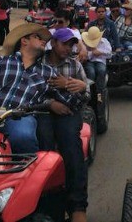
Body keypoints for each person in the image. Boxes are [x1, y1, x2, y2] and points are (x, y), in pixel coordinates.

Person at [0, 23, 72, 154]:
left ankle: (26, 171)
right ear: (24, 40)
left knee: (21, 136)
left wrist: (70, 85)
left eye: (44, 40)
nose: (43, 41)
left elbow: (70, 101)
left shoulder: (48, 72)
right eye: (37, 37)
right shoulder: (0, 62)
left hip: (21, 117)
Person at [40, 28, 89, 222]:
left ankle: (78, 204)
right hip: (42, 111)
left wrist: (72, 85)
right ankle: (45, 201)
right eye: (64, 44)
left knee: (71, 144)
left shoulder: (75, 66)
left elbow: (86, 96)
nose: (68, 48)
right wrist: (50, 104)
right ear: (53, 43)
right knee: (43, 144)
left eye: (71, 45)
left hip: (69, 112)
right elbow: (29, 91)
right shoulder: (38, 62)